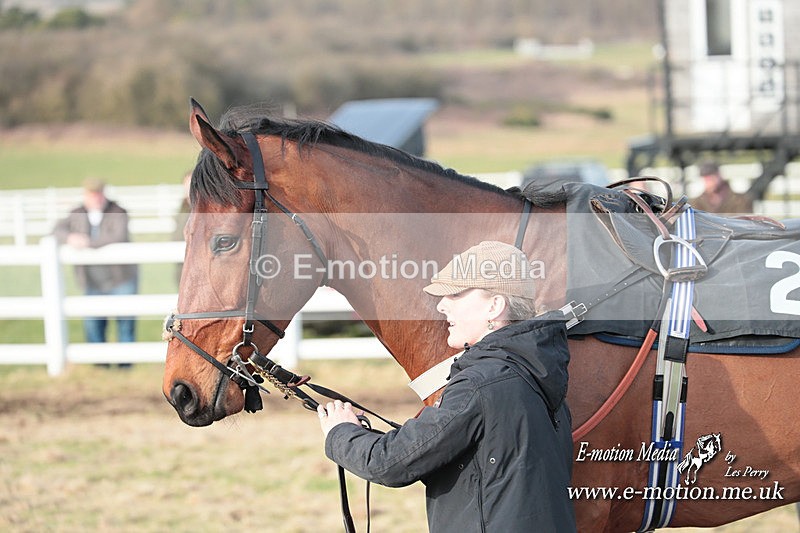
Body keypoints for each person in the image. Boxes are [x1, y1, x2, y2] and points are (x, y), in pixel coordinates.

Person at [318, 241, 576, 532]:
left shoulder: (480, 385)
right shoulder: (540, 377)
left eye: (455, 294)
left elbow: (389, 463)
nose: (441, 305)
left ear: (495, 305)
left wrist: (341, 433)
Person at [53, 178, 138, 364]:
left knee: (125, 324)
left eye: (98, 194)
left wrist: (87, 244)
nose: (95, 198)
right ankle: (101, 366)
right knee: (94, 324)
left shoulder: (117, 211)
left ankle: (125, 366)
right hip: (92, 281)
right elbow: (56, 230)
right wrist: (70, 238)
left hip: (120, 279)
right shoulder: (77, 213)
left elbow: (118, 236)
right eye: (91, 194)